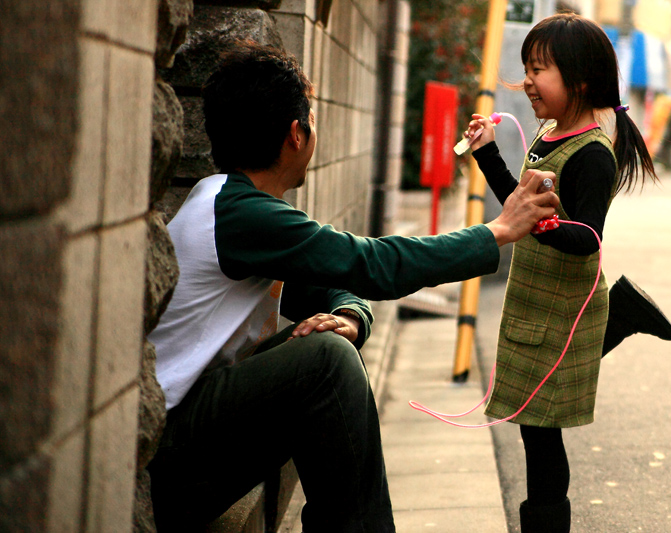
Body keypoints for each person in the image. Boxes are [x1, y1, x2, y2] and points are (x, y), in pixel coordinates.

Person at [147, 42, 560, 533]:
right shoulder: (241, 216)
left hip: (186, 437)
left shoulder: (230, 204)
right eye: (312, 120)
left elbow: (330, 284)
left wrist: (350, 317)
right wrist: (497, 231)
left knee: (329, 348)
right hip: (167, 454)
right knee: (326, 361)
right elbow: (370, 264)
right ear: (296, 135)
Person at [463, 13, 671, 533]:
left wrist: (540, 222)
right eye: (527, 69)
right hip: (536, 301)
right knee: (532, 420)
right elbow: (521, 203)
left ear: (579, 80)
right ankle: (620, 317)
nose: (528, 82)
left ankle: (545, 525)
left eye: (539, 70)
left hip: (561, 304)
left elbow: (587, 240)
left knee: (540, 430)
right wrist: (487, 154)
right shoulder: (549, 131)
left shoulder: (592, 156)